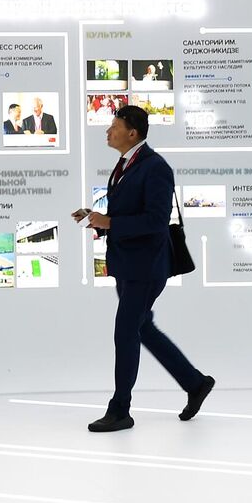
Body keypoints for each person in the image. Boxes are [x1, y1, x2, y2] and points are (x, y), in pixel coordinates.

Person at [70, 104, 212, 432]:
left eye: (114, 126)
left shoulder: (156, 167)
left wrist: (110, 222)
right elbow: (130, 213)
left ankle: (120, 409)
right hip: (127, 264)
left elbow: (156, 221)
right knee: (142, 327)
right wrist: (96, 219)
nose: (108, 131)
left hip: (146, 267)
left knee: (125, 331)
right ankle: (195, 383)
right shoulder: (125, 164)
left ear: (132, 133)